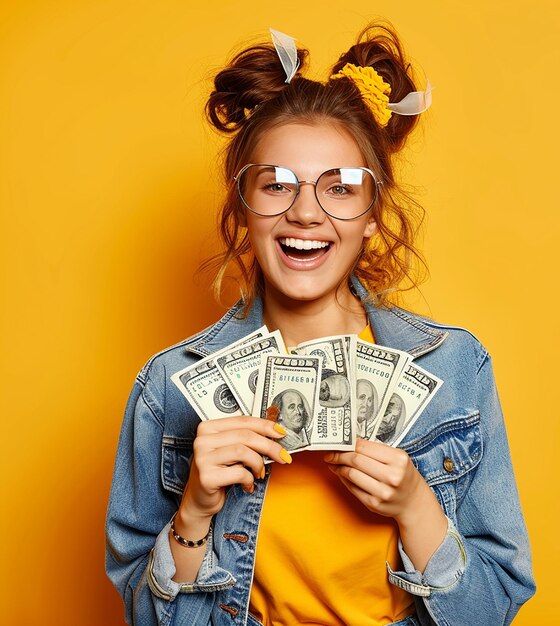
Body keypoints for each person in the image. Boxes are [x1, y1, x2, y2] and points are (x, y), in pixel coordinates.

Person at [106, 24, 535, 626]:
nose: (306, 211)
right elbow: (145, 619)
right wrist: (195, 513)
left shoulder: (457, 368)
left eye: (340, 188)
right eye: (276, 184)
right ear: (242, 206)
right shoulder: (168, 388)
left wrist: (416, 506)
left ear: (371, 213)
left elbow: (493, 610)